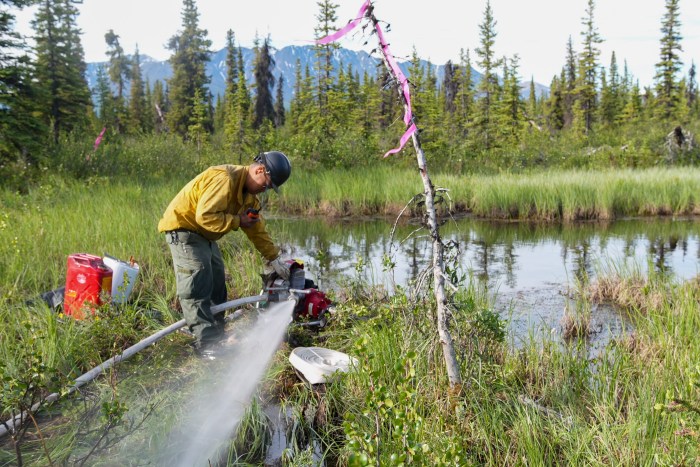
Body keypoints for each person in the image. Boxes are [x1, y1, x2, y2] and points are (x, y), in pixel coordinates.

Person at [158, 151, 292, 351]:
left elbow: (256, 229)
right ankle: (207, 344)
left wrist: (274, 258)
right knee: (198, 277)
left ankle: (217, 335)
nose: (264, 190)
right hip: (183, 228)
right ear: (259, 170)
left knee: (218, 281)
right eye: (266, 184)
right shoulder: (226, 179)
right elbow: (205, 216)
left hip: (204, 235)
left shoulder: (250, 198)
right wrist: (238, 221)